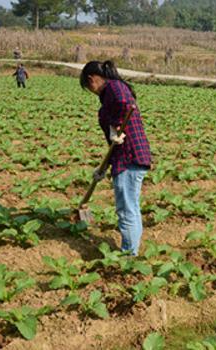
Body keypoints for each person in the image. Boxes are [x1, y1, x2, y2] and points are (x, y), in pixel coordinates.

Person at [80, 60, 152, 256]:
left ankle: (129, 255)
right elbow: (115, 135)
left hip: (129, 157)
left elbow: (125, 104)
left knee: (127, 209)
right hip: (126, 157)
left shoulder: (113, 87)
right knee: (131, 207)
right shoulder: (110, 92)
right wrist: (103, 168)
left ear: (91, 79)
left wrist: (115, 125)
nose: (91, 91)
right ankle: (132, 251)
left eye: (88, 87)